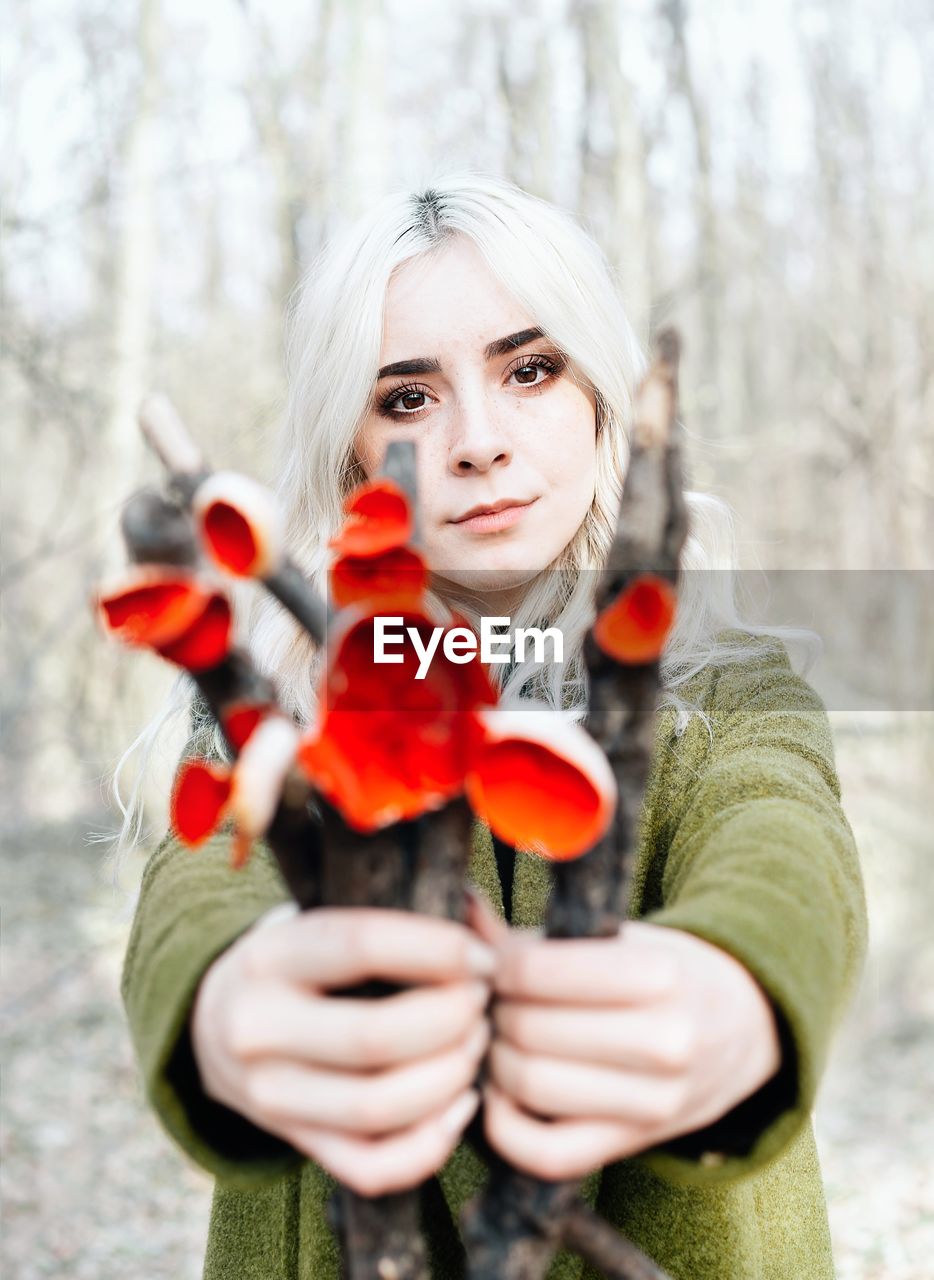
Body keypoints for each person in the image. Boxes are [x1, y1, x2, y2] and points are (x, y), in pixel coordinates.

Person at [115, 171, 868, 1280]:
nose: (476, 441)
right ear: (352, 448)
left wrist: (734, 983)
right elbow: (202, 880)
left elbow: (782, 833)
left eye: (529, 369)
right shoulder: (277, 684)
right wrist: (233, 989)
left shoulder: (727, 684)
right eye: (407, 397)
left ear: (601, 397)